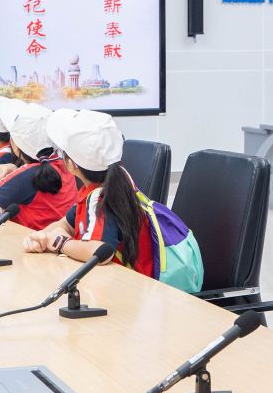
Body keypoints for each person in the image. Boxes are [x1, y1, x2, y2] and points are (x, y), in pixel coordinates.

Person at [24, 109, 203, 292]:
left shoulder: (102, 197)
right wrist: (43, 237)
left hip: (136, 290)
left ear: (72, 165)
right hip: (125, 285)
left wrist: (62, 243)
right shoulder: (116, 178)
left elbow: (100, 252)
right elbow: (66, 224)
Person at [0, 103, 81, 230]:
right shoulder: (63, 165)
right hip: (54, 236)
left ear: (16, 144)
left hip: (28, 238)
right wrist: (16, 171)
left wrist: (13, 176)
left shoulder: (29, 174)